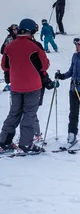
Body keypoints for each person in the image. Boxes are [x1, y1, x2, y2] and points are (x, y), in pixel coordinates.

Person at [0, 19, 52, 153]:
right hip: (33, 86)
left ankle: (4, 141)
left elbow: (4, 65)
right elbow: (44, 65)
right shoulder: (35, 46)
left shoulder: (9, 46)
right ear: (31, 30)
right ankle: (26, 144)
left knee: (14, 113)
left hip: (16, 86)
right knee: (29, 115)